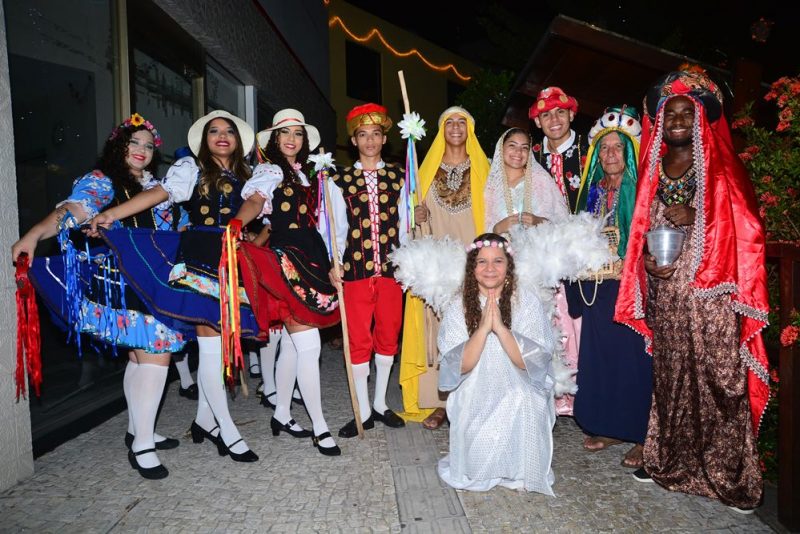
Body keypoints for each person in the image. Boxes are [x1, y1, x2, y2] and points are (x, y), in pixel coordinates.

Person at [615, 71, 769, 512]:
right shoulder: (653, 168)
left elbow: (747, 228)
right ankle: (666, 460)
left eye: (686, 113)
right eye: (671, 114)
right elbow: (643, 228)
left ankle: (733, 479)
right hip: (666, 290)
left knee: (720, 378)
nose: (678, 120)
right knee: (670, 376)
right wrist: (646, 262)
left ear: (700, 119)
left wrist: (698, 215)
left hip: (712, 292)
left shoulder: (719, 166)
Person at [12, 113, 186, 479]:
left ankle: (138, 429)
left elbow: (173, 225)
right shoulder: (103, 181)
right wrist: (34, 234)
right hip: (126, 279)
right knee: (157, 353)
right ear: (117, 146)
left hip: (156, 276)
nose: (141, 150)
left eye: (148, 146)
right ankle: (143, 445)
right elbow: (74, 210)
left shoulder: (157, 185)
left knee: (139, 357)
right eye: (133, 142)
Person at [90, 110, 262, 463]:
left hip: (234, 258)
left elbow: (257, 203)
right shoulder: (190, 169)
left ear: (238, 140)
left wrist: (238, 226)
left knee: (223, 347)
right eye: (214, 131)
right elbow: (159, 193)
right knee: (212, 351)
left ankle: (204, 422)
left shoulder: (252, 175)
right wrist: (112, 214)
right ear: (204, 140)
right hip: (200, 257)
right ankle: (227, 430)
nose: (222, 135)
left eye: (229, 130)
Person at [235, 109, 342, 456]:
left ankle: (281, 412)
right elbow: (256, 201)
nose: (292, 139)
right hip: (288, 260)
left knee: (295, 348)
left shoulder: (307, 175)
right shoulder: (270, 171)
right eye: (285, 133)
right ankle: (320, 426)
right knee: (309, 347)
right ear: (275, 139)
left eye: (298, 133)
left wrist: (332, 262)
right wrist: (237, 224)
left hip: (314, 255)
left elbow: (321, 221)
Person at [437, 233, 557, 493]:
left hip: (518, 378)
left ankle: (521, 467)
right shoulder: (459, 305)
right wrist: (482, 329)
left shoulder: (526, 301)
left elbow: (530, 364)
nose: (490, 268)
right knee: (478, 458)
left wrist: (501, 329)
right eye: (482, 261)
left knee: (522, 398)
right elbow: (461, 366)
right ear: (472, 268)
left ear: (508, 266)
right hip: (474, 382)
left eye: (498, 261)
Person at [565, 107, 651, 469]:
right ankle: (612, 427)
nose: (610, 154)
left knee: (635, 360)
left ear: (629, 153)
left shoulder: (642, 191)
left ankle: (644, 435)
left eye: (617, 147)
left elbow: (649, 239)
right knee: (601, 357)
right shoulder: (592, 191)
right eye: (604, 148)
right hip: (597, 288)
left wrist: (627, 267)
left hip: (630, 289)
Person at [399, 106, 490, 430]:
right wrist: (416, 217)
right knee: (436, 329)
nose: (455, 127)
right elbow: (406, 220)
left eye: (461, 122)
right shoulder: (423, 173)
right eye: (449, 122)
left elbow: (495, 214)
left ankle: (474, 400)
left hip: (473, 264)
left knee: (473, 327)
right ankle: (439, 403)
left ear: (470, 129)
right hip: (437, 268)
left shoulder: (484, 169)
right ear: (440, 130)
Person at [325, 103, 407, 437]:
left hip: (391, 271)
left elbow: (405, 226)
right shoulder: (339, 180)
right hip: (355, 271)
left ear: (384, 138)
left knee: (388, 335)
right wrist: (334, 262)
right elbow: (334, 228)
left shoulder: (400, 177)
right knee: (358, 339)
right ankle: (362, 410)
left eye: (375, 134)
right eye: (363, 135)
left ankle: (380, 404)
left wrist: (409, 261)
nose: (370, 140)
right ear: (354, 140)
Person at [484, 127, 568, 233]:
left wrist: (538, 221)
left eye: (524, 147)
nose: (518, 151)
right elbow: (480, 226)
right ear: (501, 148)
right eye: (512, 145)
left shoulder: (541, 180)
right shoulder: (490, 186)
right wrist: (497, 228)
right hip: (500, 243)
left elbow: (563, 221)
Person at [529, 87, 588, 215]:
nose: (554, 119)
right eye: (546, 114)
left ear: (570, 115)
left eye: (560, 111)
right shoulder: (530, 157)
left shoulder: (590, 149)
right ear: (538, 122)